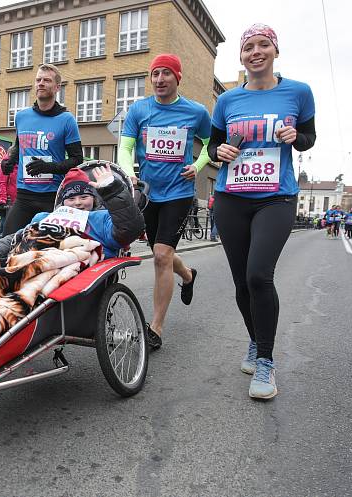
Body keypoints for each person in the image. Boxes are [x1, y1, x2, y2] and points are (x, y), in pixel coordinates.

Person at [208, 23, 316, 400]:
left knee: (258, 276)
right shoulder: (228, 101)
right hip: (231, 197)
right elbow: (214, 146)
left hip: (276, 197)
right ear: (241, 56)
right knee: (241, 282)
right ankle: (255, 341)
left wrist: (295, 138)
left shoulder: (298, 93)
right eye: (248, 47)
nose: (256, 51)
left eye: (263, 45)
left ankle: (266, 362)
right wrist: (217, 152)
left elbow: (309, 137)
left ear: (274, 50)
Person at [117, 53, 211, 350]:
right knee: (164, 253)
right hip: (148, 194)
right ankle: (187, 274)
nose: (159, 79)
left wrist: (196, 167)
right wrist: (129, 172)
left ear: (177, 77)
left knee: (160, 255)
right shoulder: (139, 110)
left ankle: (155, 327)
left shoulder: (196, 112)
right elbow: (125, 146)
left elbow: (211, 145)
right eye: (155, 74)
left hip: (179, 194)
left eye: (166, 74)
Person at [0, 165, 144, 262]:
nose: (78, 202)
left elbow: (129, 229)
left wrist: (111, 188)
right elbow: (19, 236)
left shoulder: (104, 219)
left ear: (94, 199)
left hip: (84, 275)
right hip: (37, 263)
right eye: (71, 198)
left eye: (84, 197)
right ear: (62, 202)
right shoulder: (45, 217)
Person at [0, 63, 83, 236]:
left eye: (46, 80)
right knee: (8, 241)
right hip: (24, 196)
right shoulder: (22, 116)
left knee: (47, 249)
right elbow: (18, 146)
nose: (41, 83)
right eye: (38, 80)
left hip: (51, 197)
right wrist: (10, 162)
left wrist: (48, 167)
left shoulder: (67, 119)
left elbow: (77, 159)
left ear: (57, 87)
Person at [0, 152, 18, 235]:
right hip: (6, 201)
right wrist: (3, 200)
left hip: (15, 201)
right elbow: (2, 183)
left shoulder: (18, 165)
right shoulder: (6, 164)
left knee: (9, 227)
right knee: (4, 227)